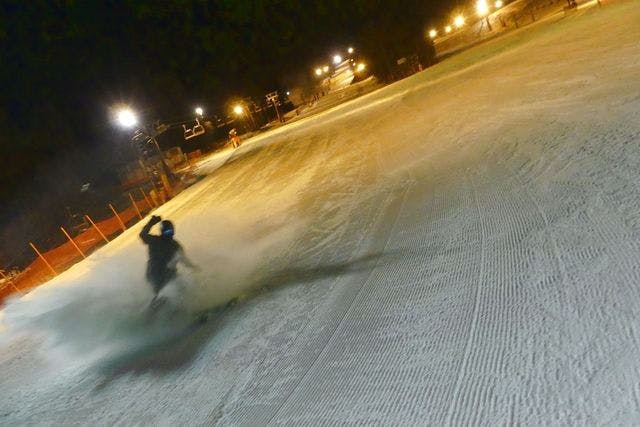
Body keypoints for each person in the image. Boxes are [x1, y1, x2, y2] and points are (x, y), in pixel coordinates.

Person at [139, 215, 197, 301]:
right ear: (162, 232)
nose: (169, 235)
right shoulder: (155, 240)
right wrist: (151, 223)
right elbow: (142, 235)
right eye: (166, 232)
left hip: (168, 272)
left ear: (173, 231)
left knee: (183, 284)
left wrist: (193, 267)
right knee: (163, 290)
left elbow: (183, 259)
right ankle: (159, 303)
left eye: (170, 232)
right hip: (154, 272)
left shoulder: (175, 245)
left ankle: (188, 301)